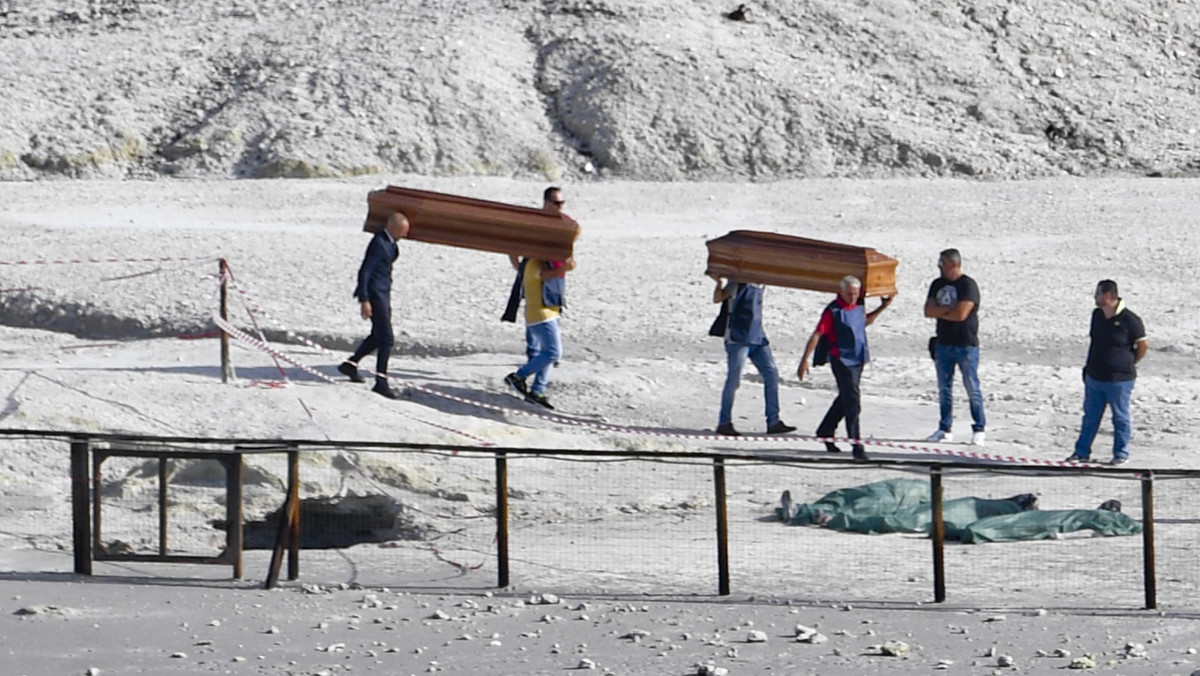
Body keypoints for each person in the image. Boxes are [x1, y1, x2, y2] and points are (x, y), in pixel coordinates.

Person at [799, 276, 893, 461]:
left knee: (846, 397)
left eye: (855, 293)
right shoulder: (833, 310)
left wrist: (883, 306)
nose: (852, 297)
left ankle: (825, 430)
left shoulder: (858, 305)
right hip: (841, 360)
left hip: (858, 359)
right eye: (849, 294)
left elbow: (864, 322)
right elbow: (817, 334)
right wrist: (804, 360)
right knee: (853, 401)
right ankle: (856, 444)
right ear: (841, 292)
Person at [503, 186, 576, 410]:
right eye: (556, 203)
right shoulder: (536, 246)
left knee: (546, 352)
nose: (559, 207)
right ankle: (518, 377)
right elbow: (533, 268)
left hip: (550, 302)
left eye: (562, 203)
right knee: (550, 352)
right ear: (546, 202)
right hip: (539, 307)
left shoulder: (557, 228)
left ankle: (538, 390)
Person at [1066, 280, 1147, 465]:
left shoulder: (1130, 320)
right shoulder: (1097, 315)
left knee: (1120, 417)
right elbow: (1094, 343)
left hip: (1119, 379)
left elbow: (1142, 346)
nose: (1095, 298)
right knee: (1090, 417)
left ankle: (1121, 454)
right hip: (1094, 376)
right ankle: (1081, 452)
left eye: (1098, 294)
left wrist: (1128, 362)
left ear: (1108, 296)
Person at [709, 274, 796, 436]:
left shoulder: (760, 283)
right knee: (733, 380)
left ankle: (773, 421)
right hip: (738, 339)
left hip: (757, 337)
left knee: (771, 374)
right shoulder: (738, 282)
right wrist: (719, 283)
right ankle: (724, 422)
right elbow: (718, 298)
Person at [338, 212, 409, 399]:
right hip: (375, 296)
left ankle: (350, 365)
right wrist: (365, 300)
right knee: (386, 339)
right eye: (403, 231)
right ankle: (381, 382)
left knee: (377, 337)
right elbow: (365, 272)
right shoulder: (379, 243)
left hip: (383, 293)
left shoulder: (391, 243)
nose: (405, 235)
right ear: (393, 227)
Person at [923, 248, 986, 446]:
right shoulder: (937, 284)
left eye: (942, 263)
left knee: (971, 387)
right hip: (943, 342)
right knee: (944, 389)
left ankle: (979, 428)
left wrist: (942, 312)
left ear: (953, 264)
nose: (939, 267)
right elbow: (928, 310)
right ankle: (944, 427)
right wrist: (946, 311)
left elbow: (961, 314)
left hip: (965, 344)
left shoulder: (967, 285)